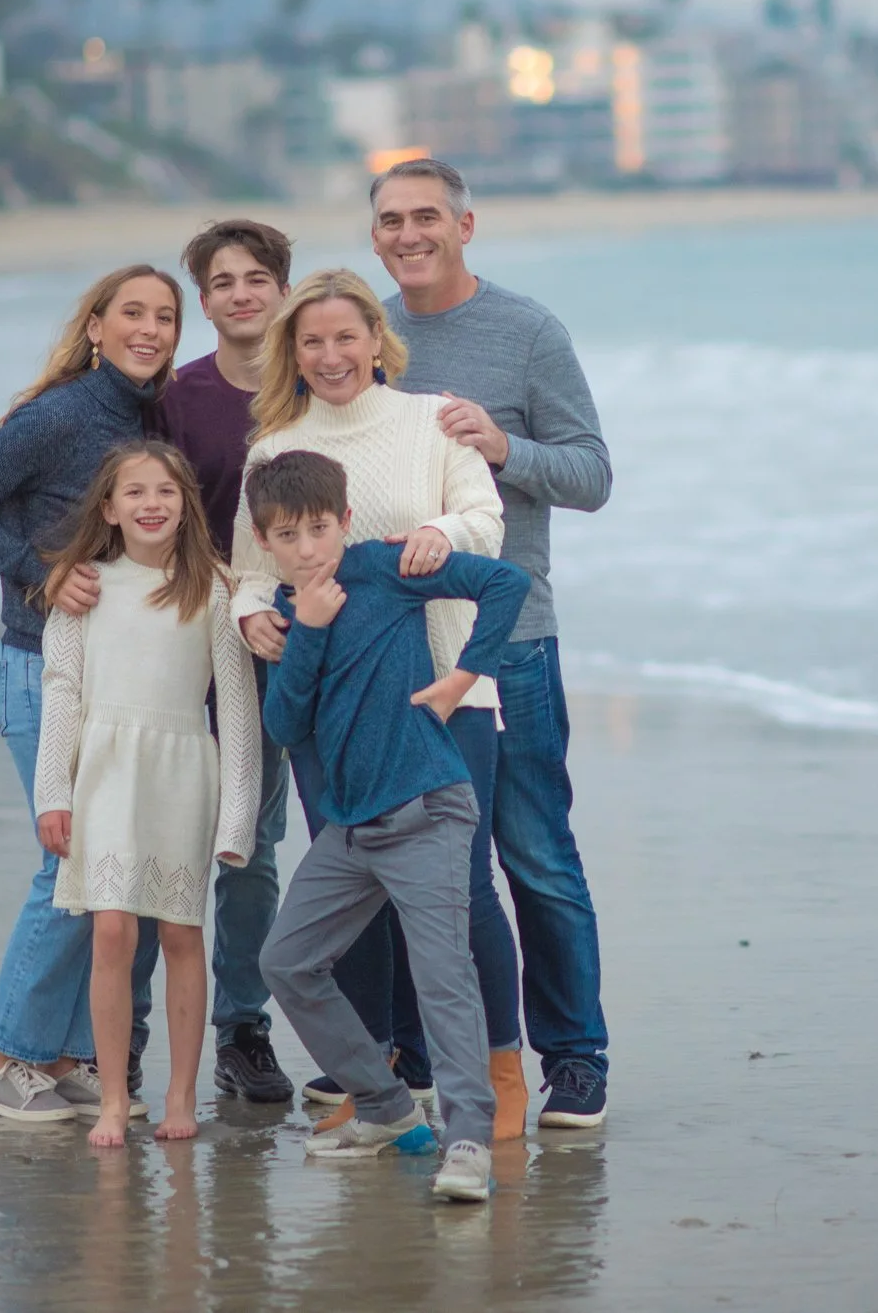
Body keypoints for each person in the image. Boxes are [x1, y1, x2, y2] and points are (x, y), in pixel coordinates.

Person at [229, 268, 532, 1139]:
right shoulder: (273, 446)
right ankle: (383, 1082)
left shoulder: (429, 418)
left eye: (345, 336)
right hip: (331, 701)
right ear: (292, 349)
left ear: (375, 339)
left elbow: (485, 517)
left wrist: (443, 532)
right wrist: (253, 616)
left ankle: (499, 1067)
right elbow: (254, 569)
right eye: (311, 341)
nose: (330, 355)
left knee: (464, 891)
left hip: (441, 687)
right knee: (350, 888)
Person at [370, 157, 616, 1129]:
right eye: (390, 218)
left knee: (533, 852)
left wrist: (505, 449)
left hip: (508, 638)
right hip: (395, 643)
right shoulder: (366, 335)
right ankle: (417, 1053)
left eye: (426, 215)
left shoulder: (526, 332)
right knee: (407, 858)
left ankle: (576, 1058)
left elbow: (593, 473)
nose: (408, 232)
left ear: (466, 225)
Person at [0, 264, 183, 1122]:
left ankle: (63, 1056)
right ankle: (6, 1060)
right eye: (133, 314)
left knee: (96, 871)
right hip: (41, 668)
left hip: (109, 678)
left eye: (166, 318)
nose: (150, 329)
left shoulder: (140, 415)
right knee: (70, 860)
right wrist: (39, 571)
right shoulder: (64, 412)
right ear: (97, 325)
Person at [56, 219, 299, 1106]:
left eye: (257, 278)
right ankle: (130, 1046)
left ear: (281, 288)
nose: (241, 294)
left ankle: (244, 1032)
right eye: (223, 282)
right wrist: (60, 571)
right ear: (205, 303)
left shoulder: (308, 381)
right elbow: (133, 490)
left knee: (250, 848)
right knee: (146, 844)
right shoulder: (180, 397)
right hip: (183, 634)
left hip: (287, 638)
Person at [249, 450, 529, 1202]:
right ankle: (386, 1107)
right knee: (287, 960)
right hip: (350, 831)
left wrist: (466, 673)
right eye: (288, 535)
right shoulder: (287, 610)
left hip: (426, 809)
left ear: (344, 521)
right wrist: (304, 628)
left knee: (443, 979)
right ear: (263, 539)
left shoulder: (384, 567)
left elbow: (505, 582)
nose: (307, 549)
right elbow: (283, 722)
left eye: (318, 529)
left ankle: (467, 1139)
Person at [32, 441, 260, 1146]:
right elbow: (62, 693)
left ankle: (182, 1096)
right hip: (103, 769)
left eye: (165, 490)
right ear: (109, 507)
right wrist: (52, 793)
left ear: (186, 502)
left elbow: (240, 708)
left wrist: (238, 817)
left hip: (181, 771)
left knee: (183, 930)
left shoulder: (213, 588)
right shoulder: (84, 587)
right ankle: (109, 1097)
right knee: (110, 928)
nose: (151, 503)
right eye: (134, 492)